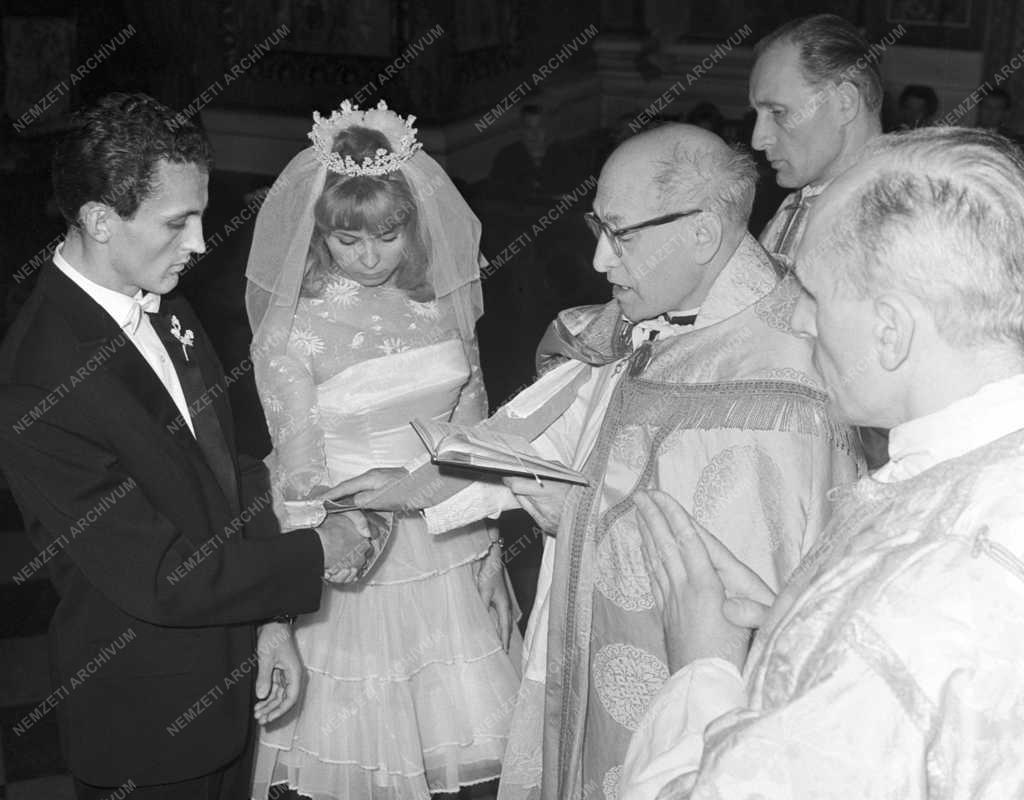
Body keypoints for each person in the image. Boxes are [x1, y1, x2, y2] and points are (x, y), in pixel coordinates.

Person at [337, 122, 861, 800]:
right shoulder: (649, 317)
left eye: (620, 235)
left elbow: (739, 597)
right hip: (574, 628)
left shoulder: (779, 385)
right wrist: (415, 486)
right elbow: (552, 440)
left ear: (702, 233)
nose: (599, 259)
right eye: (598, 227)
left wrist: (579, 517)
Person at [620, 125, 1024, 799]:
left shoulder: (908, 603)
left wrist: (704, 669)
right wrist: (796, 626)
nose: (800, 321)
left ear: (891, 330)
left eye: (813, 292)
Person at [0, 93, 373, 800]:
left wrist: (270, 623)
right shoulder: (36, 379)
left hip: (233, 689)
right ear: (100, 221)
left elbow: (227, 473)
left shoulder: (169, 304)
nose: (200, 243)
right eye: (178, 222)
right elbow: (161, 574)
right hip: (148, 727)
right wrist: (317, 552)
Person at [244, 100, 522, 800]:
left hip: (451, 547)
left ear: (413, 224)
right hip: (351, 559)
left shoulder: (443, 307)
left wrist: (489, 547)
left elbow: (473, 437)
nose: (369, 257)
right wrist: (293, 595)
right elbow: (299, 475)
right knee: (363, 763)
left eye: (388, 236)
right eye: (347, 240)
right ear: (319, 235)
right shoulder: (292, 331)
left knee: (463, 761)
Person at [749, 13, 888, 468]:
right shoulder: (795, 203)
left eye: (778, 112)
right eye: (757, 114)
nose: (758, 138)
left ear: (844, 102)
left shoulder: (902, 215)